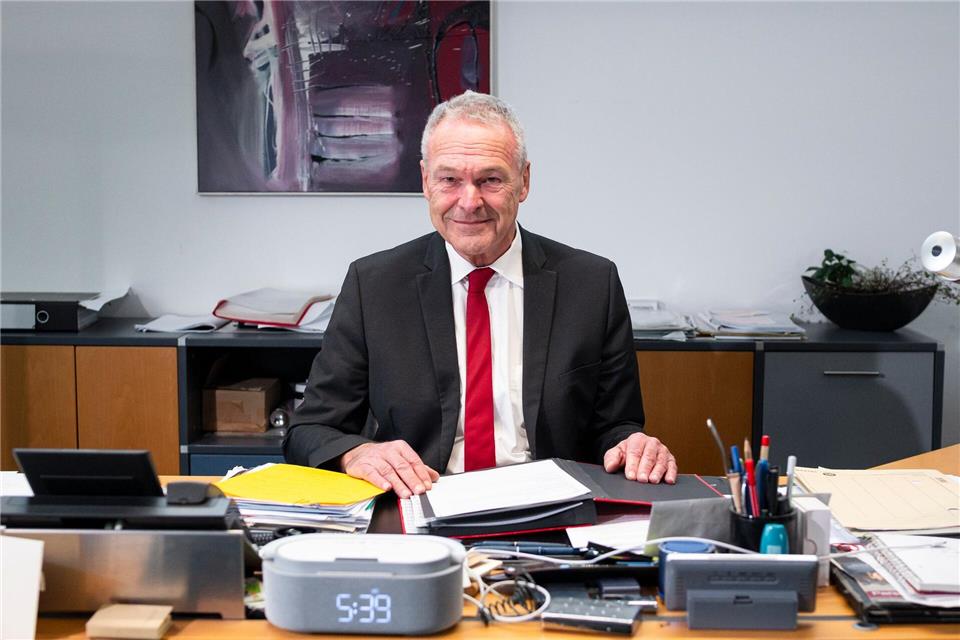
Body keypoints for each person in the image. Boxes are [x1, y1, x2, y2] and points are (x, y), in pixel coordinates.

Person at [284, 91, 677, 497]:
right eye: (449, 179)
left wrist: (633, 445)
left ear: (523, 181)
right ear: (425, 181)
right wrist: (356, 454)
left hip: (551, 507)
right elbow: (311, 429)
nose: (469, 202)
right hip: (422, 500)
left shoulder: (592, 284)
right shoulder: (375, 285)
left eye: (490, 179)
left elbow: (615, 426)